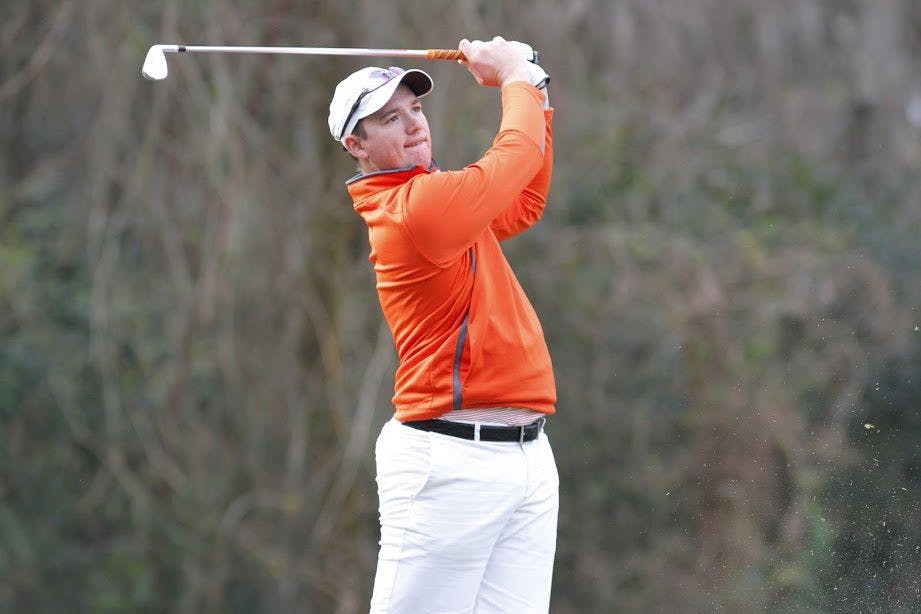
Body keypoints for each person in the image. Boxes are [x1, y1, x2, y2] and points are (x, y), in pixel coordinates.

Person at [328, 36, 558, 613]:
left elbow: (524, 198)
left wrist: (536, 87)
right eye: (388, 119)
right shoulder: (416, 209)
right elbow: (513, 156)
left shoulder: (440, 199)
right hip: (449, 461)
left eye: (415, 110)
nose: (412, 126)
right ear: (356, 144)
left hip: (526, 458)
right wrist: (515, 79)